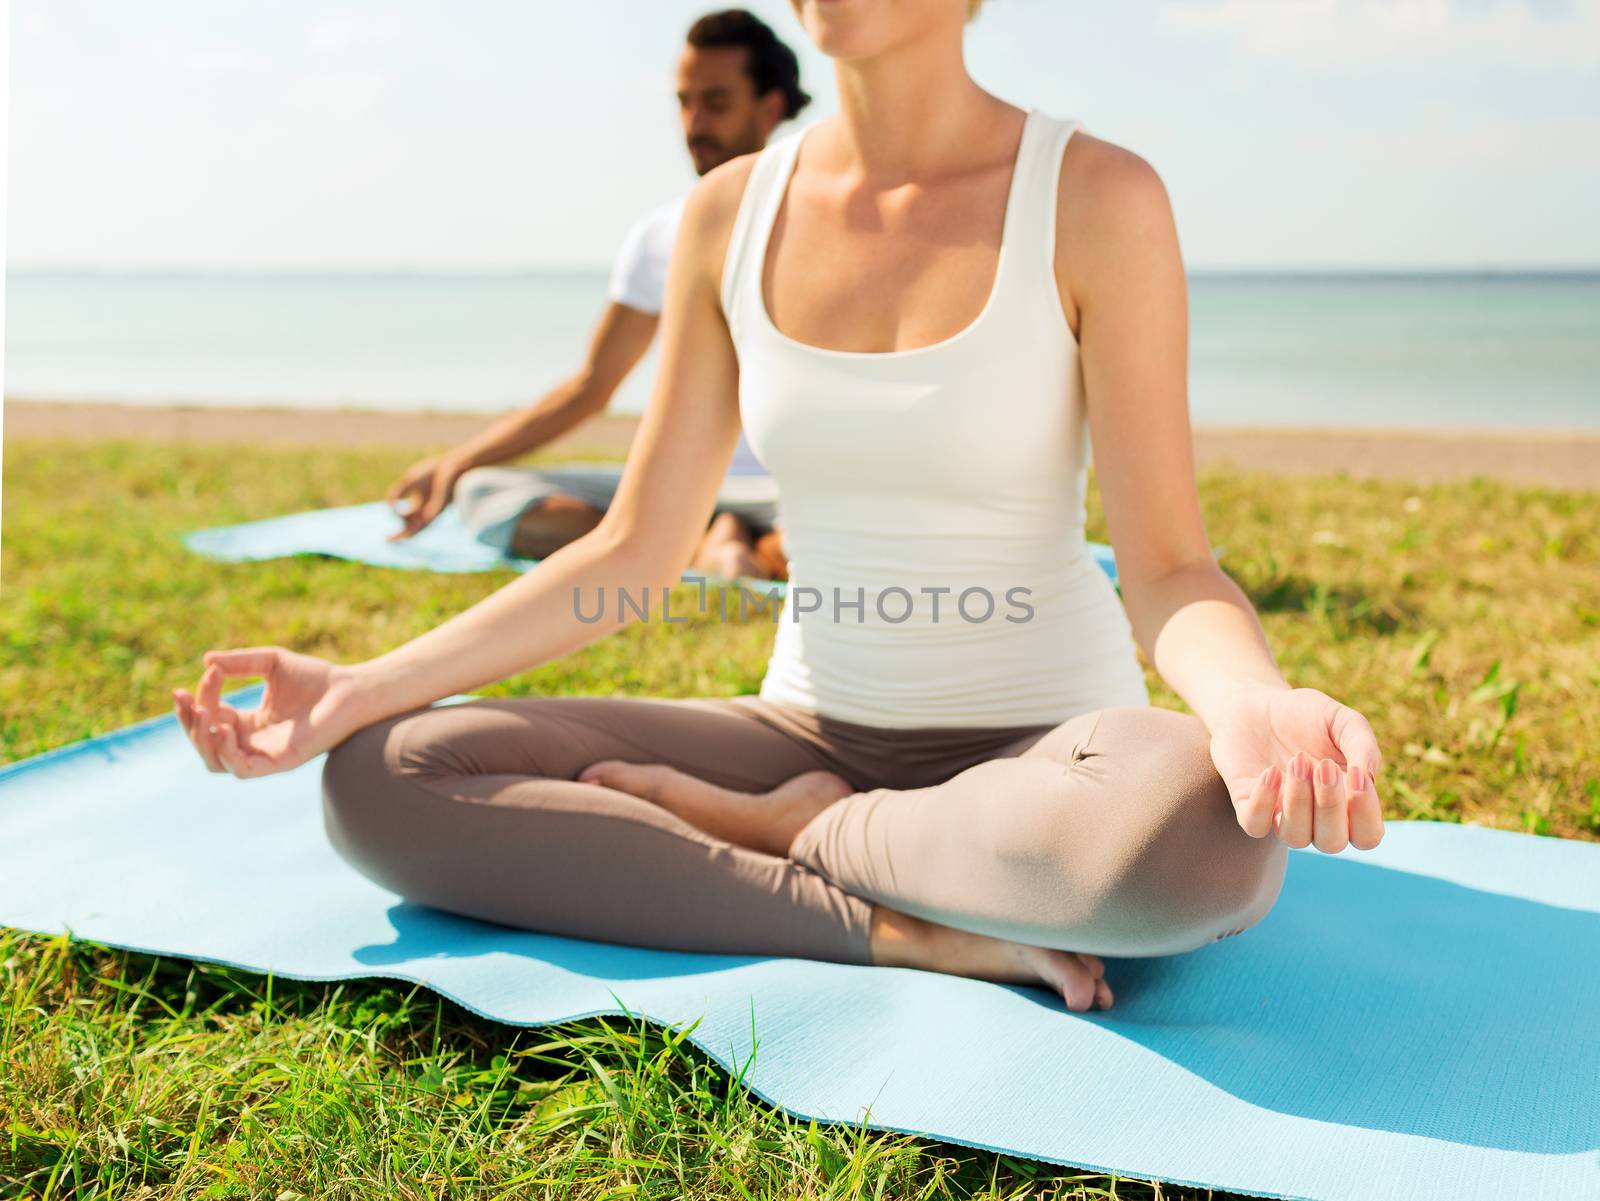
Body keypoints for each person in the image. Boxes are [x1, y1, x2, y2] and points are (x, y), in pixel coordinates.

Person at [174, 0, 1388, 1014]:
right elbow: (636, 548)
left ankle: (805, 834)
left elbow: (1169, 565)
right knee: (390, 774)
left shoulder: (1096, 197)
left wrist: (1253, 704)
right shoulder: (726, 216)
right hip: (805, 728)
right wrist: (358, 687)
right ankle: (896, 923)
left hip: (1040, 753)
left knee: (1196, 835)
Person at [385, 9, 805, 582]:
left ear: (771, 106)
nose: (694, 122)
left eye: (716, 102)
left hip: (796, 488)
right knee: (484, 491)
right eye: (684, 102)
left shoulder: (821, 224)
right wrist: (460, 461)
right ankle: (710, 540)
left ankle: (741, 542)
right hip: (678, 488)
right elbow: (590, 386)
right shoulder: (662, 234)